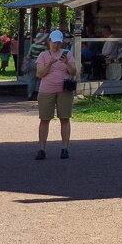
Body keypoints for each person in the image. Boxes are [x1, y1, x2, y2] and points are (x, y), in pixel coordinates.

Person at [34, 29, 77, 160]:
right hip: (47, 90)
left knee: (65, 118)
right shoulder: (43, 55)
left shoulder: (67, 54)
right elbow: (40, 74)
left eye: (58, 42)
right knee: (44, 119)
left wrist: (67, 63)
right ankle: (42, 149)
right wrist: (50, 63)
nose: (56, 45)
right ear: (49, 41)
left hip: (64, 90)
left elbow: (74, 72)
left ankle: (65, 148)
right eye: (54, 42)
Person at [26, 28, 48, 99]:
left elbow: (28, 55)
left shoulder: (32, 46)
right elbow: (46, 56)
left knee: (31, 79)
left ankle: (29, 94)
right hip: (40, 64)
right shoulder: (44, 47)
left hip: (32, 63)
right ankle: (39, 94)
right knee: (41, 79)